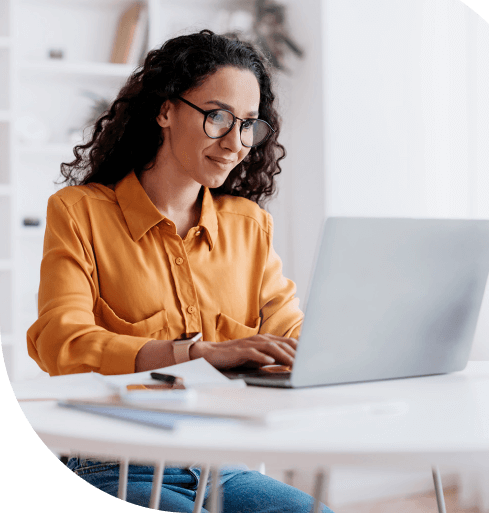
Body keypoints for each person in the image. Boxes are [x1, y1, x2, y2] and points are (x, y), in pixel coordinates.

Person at [26, 29, 335, 513]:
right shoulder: (79, 211)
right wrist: (196, 354)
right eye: (218, 117)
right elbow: (60, 342)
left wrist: (334, 349)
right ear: (165, 110)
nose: (236, 143)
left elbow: (289, 334)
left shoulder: (249, 226)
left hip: (225, 463)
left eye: (249, 124)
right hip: (112, 464)